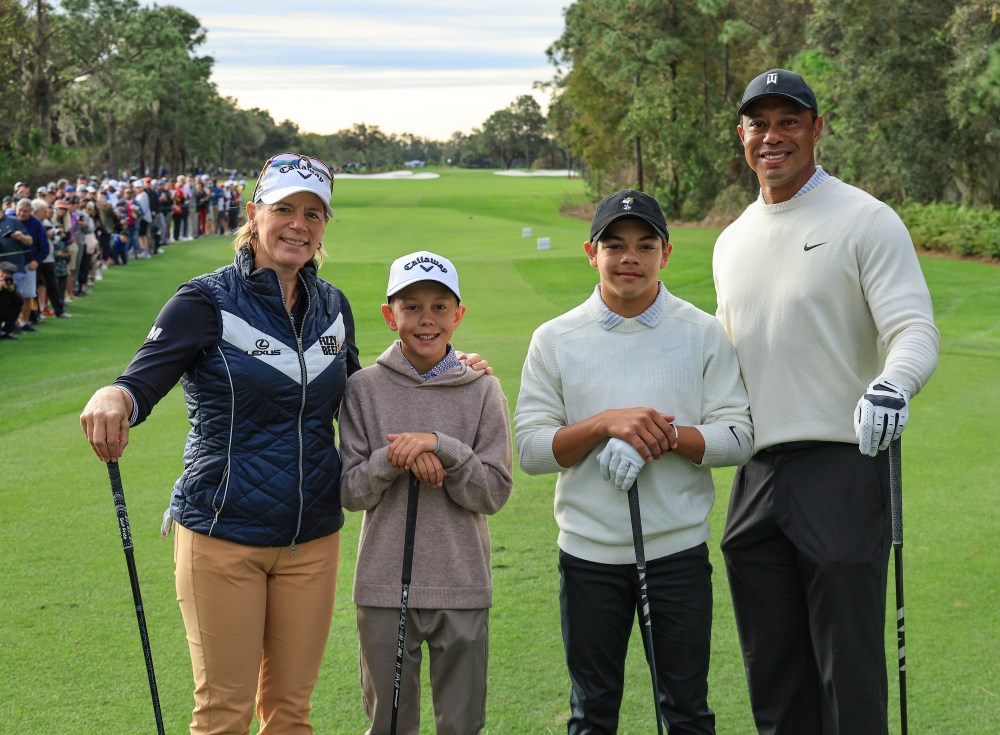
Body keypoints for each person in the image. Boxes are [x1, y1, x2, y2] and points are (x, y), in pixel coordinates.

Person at [80, 152, 357, 735]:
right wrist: (114, 395)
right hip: (221, 533)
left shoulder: (333, 307)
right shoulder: (204, 301)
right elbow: (141, 379)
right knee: (224, 713)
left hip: (312, 537)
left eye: (314, 213)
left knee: (291, 714)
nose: (299, 224)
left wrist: (441, 368)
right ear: (254, 214)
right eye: (284, 209)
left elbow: (364, 395)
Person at [712, 69, 940, 735]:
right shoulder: (733, 240)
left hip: (842, 468)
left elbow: (913, 329)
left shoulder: (865, 219)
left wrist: (894, 383)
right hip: (755, 479)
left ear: (817, 128)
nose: (772, 136)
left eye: (789, 121)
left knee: (850, 673)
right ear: (742, 136)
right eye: (759, 123)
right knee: (775, 678)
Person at [514, 190, 753, 734]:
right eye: (614, 245)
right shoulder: (554, 340)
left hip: (677, 556)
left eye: (645, 245)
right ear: (590, 252)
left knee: (686, 710)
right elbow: (530, 450)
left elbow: (738, 436)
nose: (630, 258)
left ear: (665, 254)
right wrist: (604, 424)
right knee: (592, 712)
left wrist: (662, 436)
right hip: (587, 558)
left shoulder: (701, 332)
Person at [339, 250, 513, 735]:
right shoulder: (363, 389)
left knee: (461, 726)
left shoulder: (483, 391)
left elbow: (494, 494)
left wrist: (444, 447)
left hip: (462, 584)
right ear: (389, 315)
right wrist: (393, 458)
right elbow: (351, 491)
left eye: (440, 307)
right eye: (411, 306)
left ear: (458, 315)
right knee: (390, 726)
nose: (426, 319)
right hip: (382, 587)